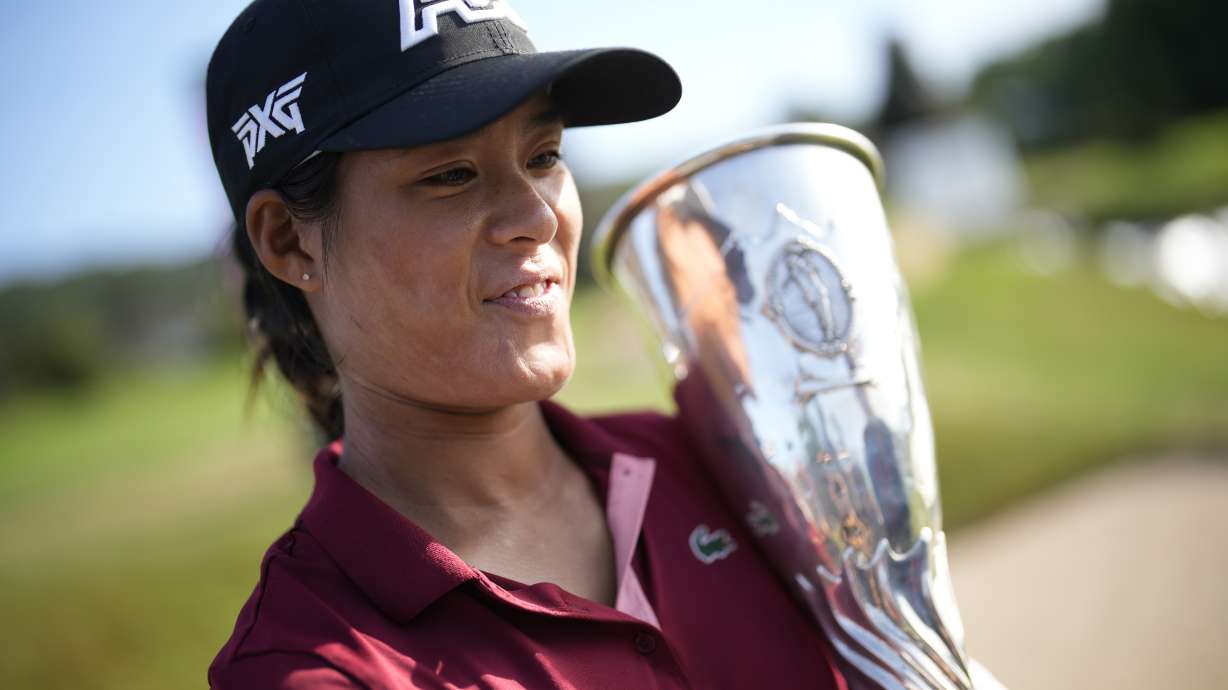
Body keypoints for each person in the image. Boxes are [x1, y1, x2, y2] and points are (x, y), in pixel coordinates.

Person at [206, 1, 847, 688]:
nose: (538, 217)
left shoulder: (709, 459)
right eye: (450, 174)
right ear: (288, 239)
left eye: (544, 156)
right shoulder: (308, 666)